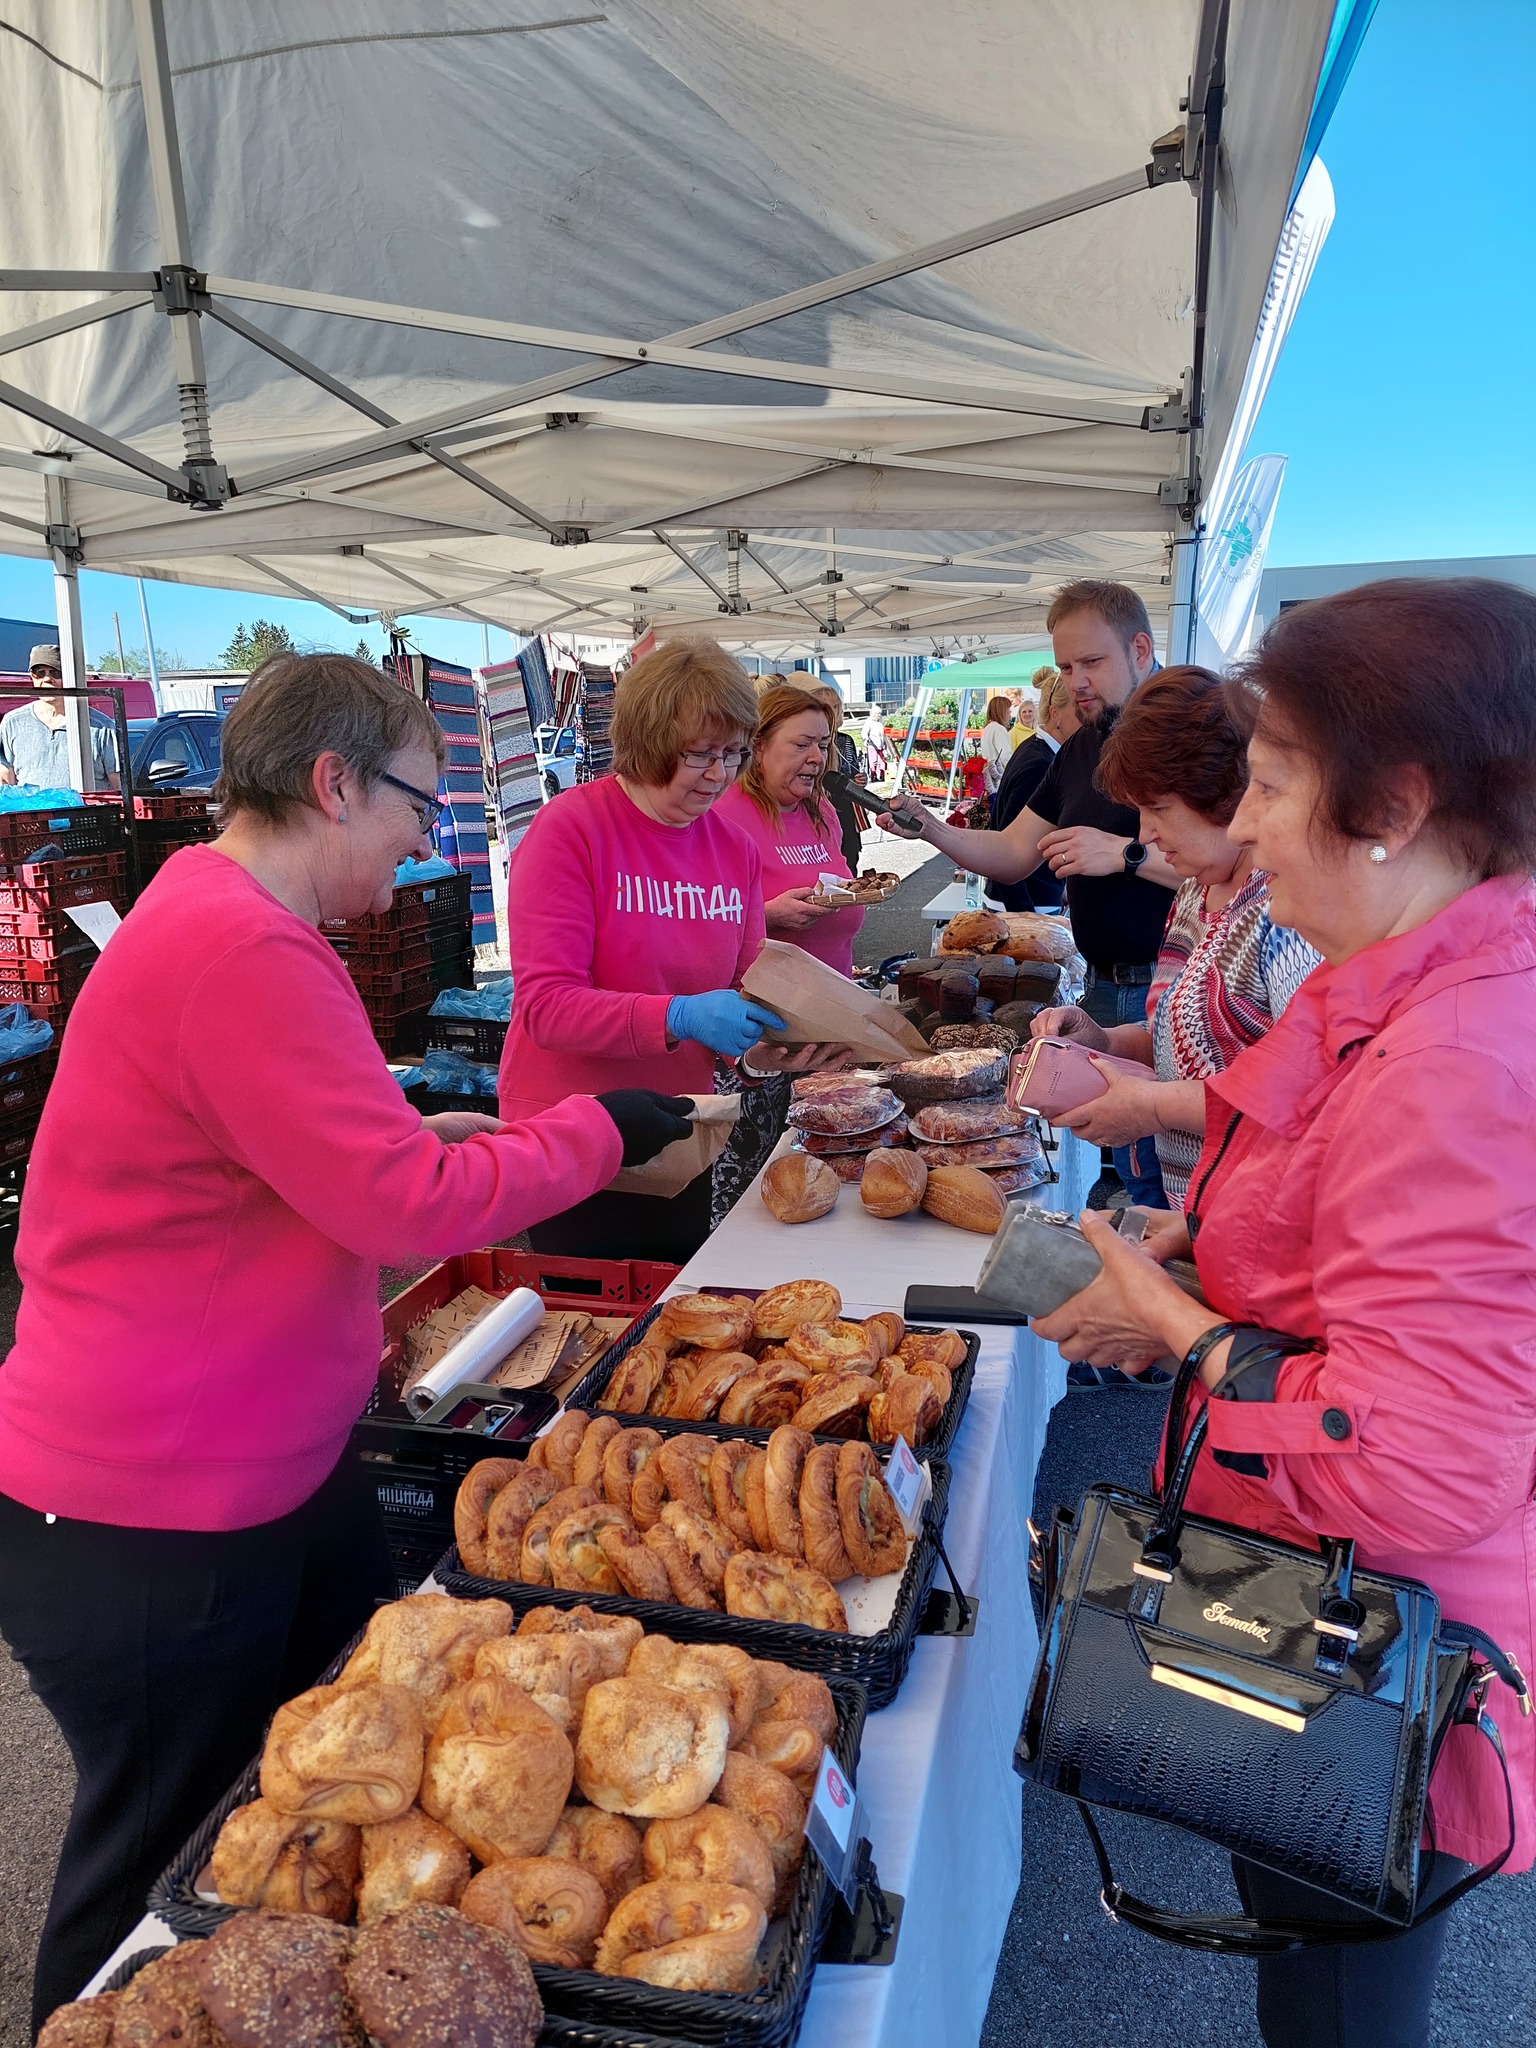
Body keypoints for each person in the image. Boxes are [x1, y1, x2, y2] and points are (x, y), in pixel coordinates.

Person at [0, 653, 689, 2028]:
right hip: (155, 1508)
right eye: (418, 811)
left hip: (264, 1478)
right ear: (333, 783)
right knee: (157, 1866)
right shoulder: (240, 941)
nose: (425, 841)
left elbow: (294, 1147)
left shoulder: (217, 918)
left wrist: (403, 1127)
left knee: (321, 1786)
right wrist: (598, 1128)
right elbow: (395, 1205)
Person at [1033, 579, 1536, 2048]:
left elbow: (1425, 1460)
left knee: (1340, 2002)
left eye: (1268, 784)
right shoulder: (1418, 986)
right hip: (1333, 1597)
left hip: (1389, 1647)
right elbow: (1347, 1250)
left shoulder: (1455, 1056)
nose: (1239, 829)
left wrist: (1188, 1335)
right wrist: (1191, 1277)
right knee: (1317, 1970)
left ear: (1392, 800)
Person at [498, 641, 838, 1264]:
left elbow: (745, 982)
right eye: (700, 755)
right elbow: (546, 1008)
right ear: (648, 742)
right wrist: (676, 1016)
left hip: (679, 1129)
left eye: (733, 754)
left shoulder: (731, 849)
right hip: (574, 1131)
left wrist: (768, 1049)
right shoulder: (571, 832)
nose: (719, 774)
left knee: (671, 1311)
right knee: (588, 1323)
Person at [879, 580, 1177, 1208]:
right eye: (1067, 667)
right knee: (1130, 1161)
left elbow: (1242, 870)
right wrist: (930, 827)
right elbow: (1014, 854)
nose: (1076, 682)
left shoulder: (1187, 738)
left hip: (1170, 985)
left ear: (1142, 650)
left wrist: (1124, 855)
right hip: (1102, 982)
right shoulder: (1080, 749)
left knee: (1165, 1167)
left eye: (1091, 662)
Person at [710, 684, 863, 1218]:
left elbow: (842, 883)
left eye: (823, 744)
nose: (816, 757)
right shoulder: (726, 816)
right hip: (760, 1032)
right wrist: (769, 914)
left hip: (827, 1016)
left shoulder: (822, 811)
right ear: (760, 743)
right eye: (801, 744)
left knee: (823, 1178)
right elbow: (706, 921)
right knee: (757, 1185)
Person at [990, 668, 1079, 911]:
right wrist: (1025, 915)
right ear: (1055, 714)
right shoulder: (1041, 764)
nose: (1088, 718)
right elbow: (1005, 845)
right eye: (1079, 711)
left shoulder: (1037, 749)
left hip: (1029, 896)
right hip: (1026, 901)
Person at [0, 643, 119, 790]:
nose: (47, 679)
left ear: (72, 676)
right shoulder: (12, 723)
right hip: (32, 812)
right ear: (32, 676)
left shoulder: (102, 727)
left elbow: (118, 786)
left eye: (56, 673)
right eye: (40, 673)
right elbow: (5, 783)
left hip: (86, 812)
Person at [811, 682, 864, 871]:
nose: (832, 711)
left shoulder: (846, 740)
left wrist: (859, 780)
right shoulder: (811, 743)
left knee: (849, 855)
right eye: (826, 706)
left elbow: (853, 770)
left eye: (835, 706)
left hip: (845, 805)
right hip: (820, 803)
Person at [978, 695, 1013, 798]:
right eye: (1008, 711)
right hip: (999, 778)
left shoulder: (988, 728)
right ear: (1002, 711)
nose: (1010, 714)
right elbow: (1006, 755)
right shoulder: (998, 729)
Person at [862, 702, 888, 782]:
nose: (878, 715)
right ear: (873, 714)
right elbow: (864, 732)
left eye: (879, 713)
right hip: (872, 745)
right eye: (877, 714)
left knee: (883, 760)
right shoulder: (869, 721)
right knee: (874, 761)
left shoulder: (881, 720)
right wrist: (866, 738)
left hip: (881, 744)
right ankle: (873, 776)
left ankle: (882, 775)